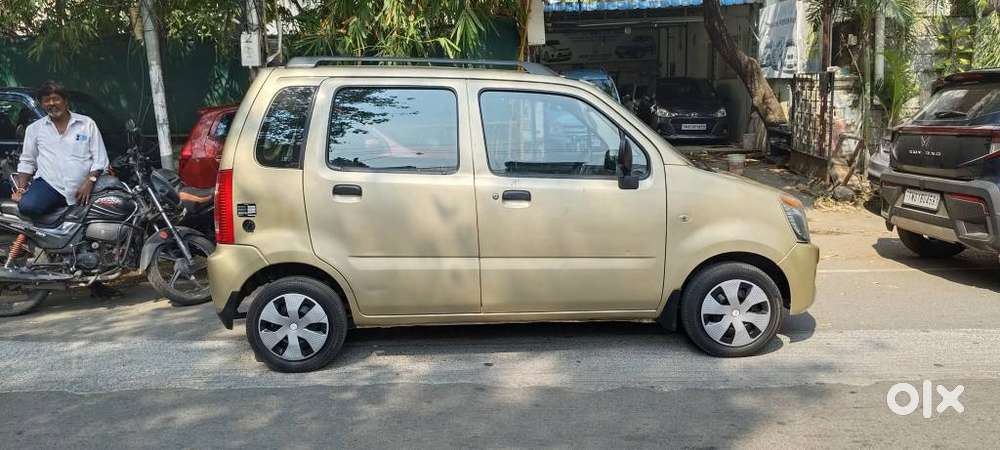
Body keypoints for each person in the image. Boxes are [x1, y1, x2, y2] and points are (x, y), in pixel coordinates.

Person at [12, 80, 109, 218]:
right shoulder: (35, 129)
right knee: (27, 206)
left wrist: (90, 181)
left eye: (56, 99)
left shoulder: (86, 124)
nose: (52, 103)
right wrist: (21, 189)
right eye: (46, 100)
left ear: (65, 101)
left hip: (83, 186)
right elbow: (27, 161)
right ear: (41, 104)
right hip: (50, 184)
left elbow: (100, 160)